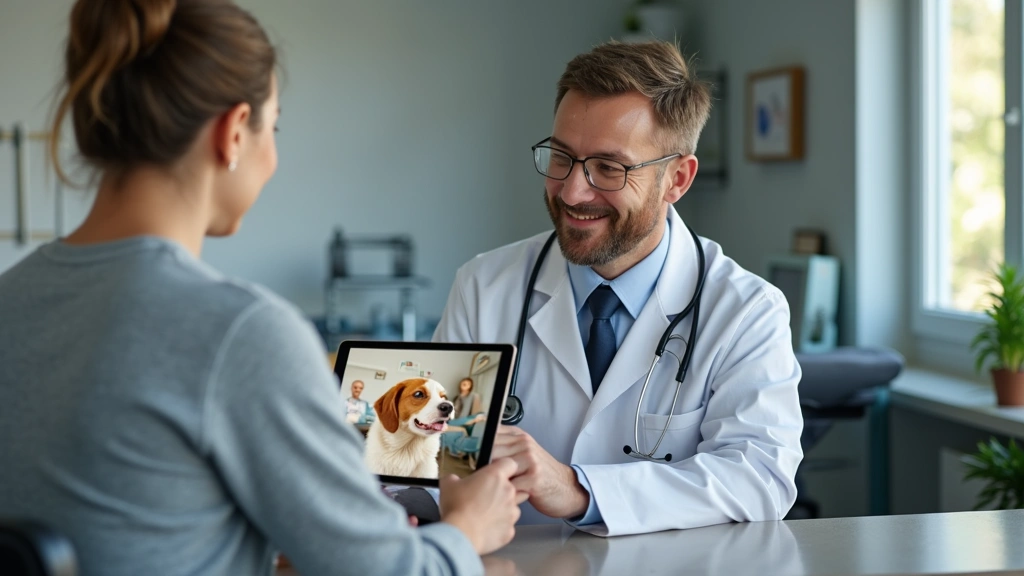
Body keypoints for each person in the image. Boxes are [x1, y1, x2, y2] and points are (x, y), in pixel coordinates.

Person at [0, 1, 523, 574]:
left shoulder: (11, 299)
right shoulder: (241, 333)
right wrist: (467, 528)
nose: (271, 154)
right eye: (271, 127)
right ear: (231, 133)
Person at [433, 40, 803, 537]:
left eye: (609, 168)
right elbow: (434, 457)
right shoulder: (484, 288)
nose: (571, 191)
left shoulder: (745, 310)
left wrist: (578, 489)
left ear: (677, 179)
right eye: (561, 157)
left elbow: (759, 478)